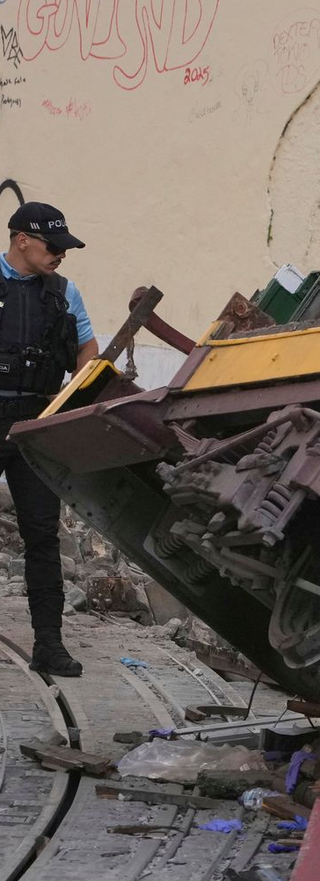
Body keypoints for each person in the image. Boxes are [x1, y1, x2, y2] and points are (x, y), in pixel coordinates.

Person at [0, 202, 98, 677]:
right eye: (53, 246)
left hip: (34, 422)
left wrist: (77, 390)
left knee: (42, 534)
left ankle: (49, 645)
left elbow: (87, 346)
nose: (61, 254)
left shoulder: (64, 292)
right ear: (22, 239)